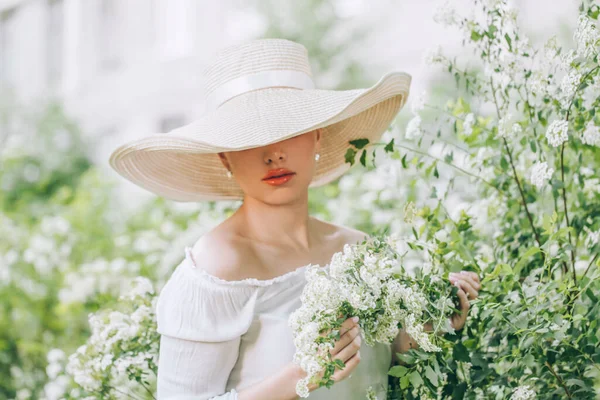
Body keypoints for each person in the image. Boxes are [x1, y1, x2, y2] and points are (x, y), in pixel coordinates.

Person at [109, 38, 481, 400]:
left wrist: (431, 321)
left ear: (318, 135)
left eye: (289, 130)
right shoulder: (215, 270)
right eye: (248, 138)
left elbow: (378, 369)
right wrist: (301, 376)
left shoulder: (360, 251)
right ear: (224, 158)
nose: (273, 154)